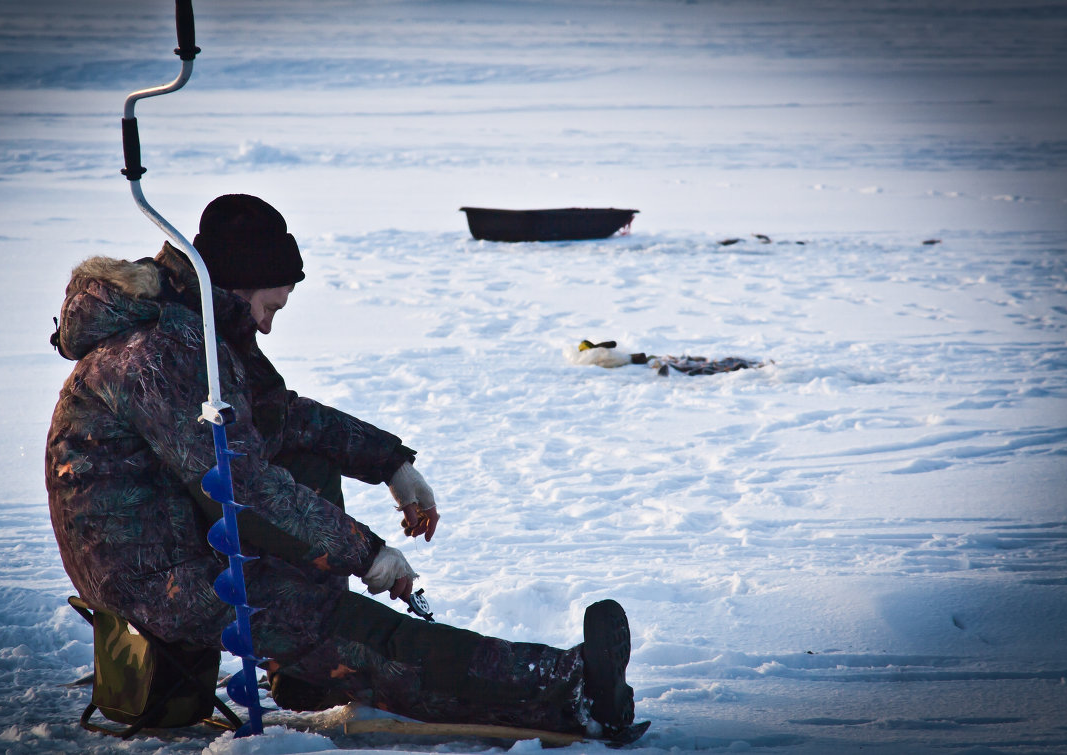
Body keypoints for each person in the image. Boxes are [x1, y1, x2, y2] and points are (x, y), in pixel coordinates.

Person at [45, 194, 637, 737]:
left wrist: (392, 465)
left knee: (307, 459)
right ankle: (567, 686)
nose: (270, 323)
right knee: (349, 628)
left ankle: (304, 671)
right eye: (269, 305)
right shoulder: (158, 355)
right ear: (238, 287)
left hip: (182, 540)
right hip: (153, 575)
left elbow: (284, 419)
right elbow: (244, 489)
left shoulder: (199, 331)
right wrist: (368, 553)